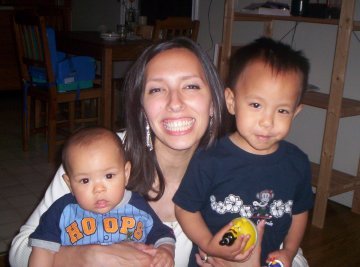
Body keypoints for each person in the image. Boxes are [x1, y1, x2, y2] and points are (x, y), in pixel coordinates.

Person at [10, 37, 265, 267]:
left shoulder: (237, 170)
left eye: (191, 86)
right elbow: (20, 250)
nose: (175, 103)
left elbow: (292, 258)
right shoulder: (96, 157)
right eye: (156, 89)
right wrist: (80, 257)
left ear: (214, 102)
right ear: (142, 107)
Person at [174, 37, 313, 267]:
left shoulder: (297, 163)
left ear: (296, 113)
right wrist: (208, 243)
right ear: (231, 101)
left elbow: (299, 213)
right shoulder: (210, 158)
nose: (267, 121)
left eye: (282, 110)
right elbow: (185, 209)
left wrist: (289, 250)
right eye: (256, 105)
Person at [28, 127, 175, 267]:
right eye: (85, 180)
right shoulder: (61, 211)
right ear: (70, 183)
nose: (99, 189)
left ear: (126, 173)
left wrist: (166, 250)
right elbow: (43, 249)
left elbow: (161, 233)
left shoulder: (139, 206)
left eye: (109, 176)